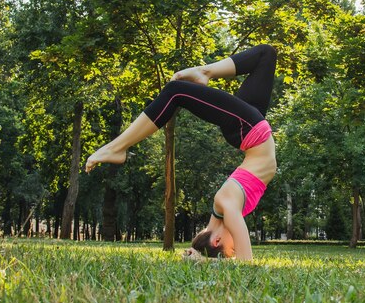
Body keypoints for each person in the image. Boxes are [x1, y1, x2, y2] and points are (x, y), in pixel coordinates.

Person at [85, 45, 278, 261]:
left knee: (175, 91)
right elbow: (218, 246)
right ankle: (205, 72)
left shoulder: (227, 203)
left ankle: (117, 147)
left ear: (217, 241)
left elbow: (245, 261)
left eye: (231, 250)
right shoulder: (223, 211)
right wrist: (200, 256)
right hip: (251, 129)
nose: (236, 249)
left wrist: (201, 256)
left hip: (250, 128)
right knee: (266, 55)